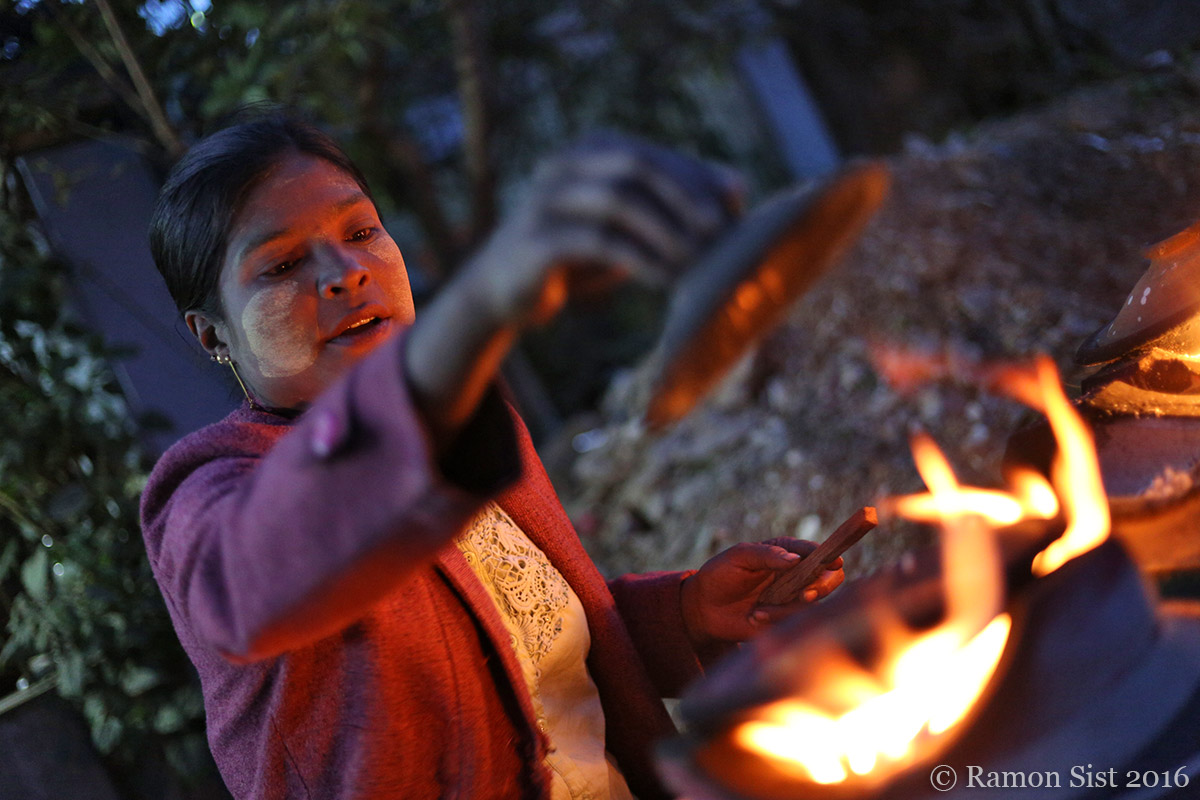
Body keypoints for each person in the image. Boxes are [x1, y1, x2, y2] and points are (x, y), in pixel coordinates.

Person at [139, 112, 844, 800]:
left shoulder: (470, 425)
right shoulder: (210, 489)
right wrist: (485, 299)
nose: (346, 272)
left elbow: (531, 656)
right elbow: (253, 573)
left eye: (360, 231)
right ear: (212, 336)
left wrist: (687, 612)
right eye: (284, 263)